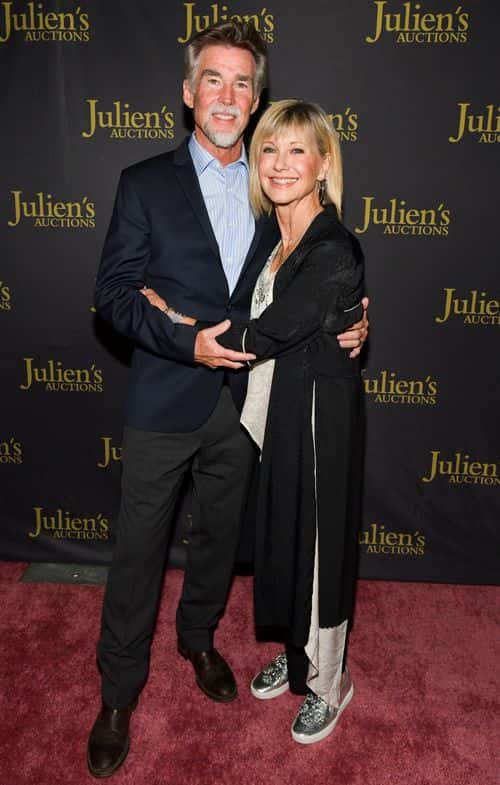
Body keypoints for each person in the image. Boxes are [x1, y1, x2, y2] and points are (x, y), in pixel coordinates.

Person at [89, 22, 368, 777]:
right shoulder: (143, 182)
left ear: (256, 99)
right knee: (138, 551)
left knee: (219, 539)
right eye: (213, 78)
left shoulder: (274, 184)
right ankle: (117, 695)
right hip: (165, 396)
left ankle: (200, 640)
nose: (227, 95)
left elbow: (310, 274)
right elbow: (113, 294)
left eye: (242, 83)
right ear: (188, 93)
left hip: (247, 405)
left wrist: (350, 314)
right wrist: (185, 340)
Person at [143, 98, 365, 745]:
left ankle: (330, 681)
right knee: (287, 541)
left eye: (297, 150)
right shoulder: (276, 238)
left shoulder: (332, 247)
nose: (280, 163)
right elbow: (251, 311)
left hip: (321, 420)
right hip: (280, 417)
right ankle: (298, 656)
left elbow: (266, 332)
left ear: (323, 164)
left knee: (318, 550)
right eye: (269, 149)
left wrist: (176, 321)